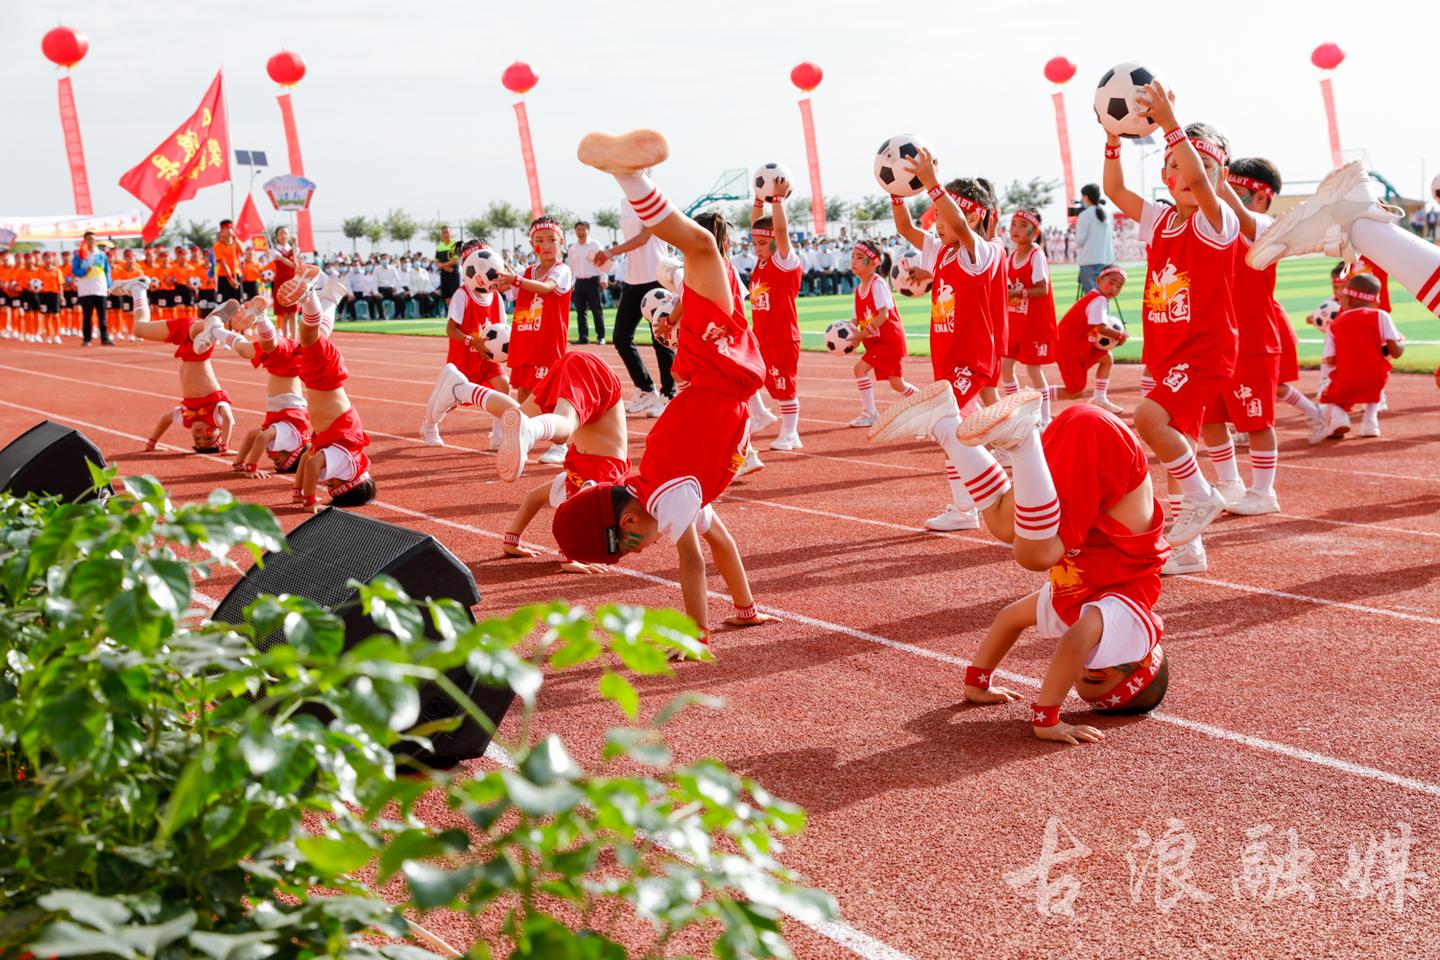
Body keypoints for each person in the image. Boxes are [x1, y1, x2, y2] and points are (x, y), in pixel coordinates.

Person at [552, 128, 778, 651]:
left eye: (630, 547)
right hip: (717, 372)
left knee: (700, 245)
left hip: (718, 370)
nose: (639, 551)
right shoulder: (670, 491)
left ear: (629, 520)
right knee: (702, 253)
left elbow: (692, 559)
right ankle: (631, 178)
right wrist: (743, 609)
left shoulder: (669, 497)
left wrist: (695, 631)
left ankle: (628, 176)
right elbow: (717, 540)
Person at [954, 392, 1170, 745]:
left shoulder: (1080, 603)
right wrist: (1047, 718)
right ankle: (1023, 439)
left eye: (1080, 677)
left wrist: (978, 682)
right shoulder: (1131, 620)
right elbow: (1073, 642)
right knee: (1035, 555)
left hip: (1086, 434)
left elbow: (1009, 619)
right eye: (1096, 675)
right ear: (1139, 657)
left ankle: (945, 422)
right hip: (1107, 452)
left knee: (1004, 525)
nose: (1083, 666)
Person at [1103, 82, 1239, 554]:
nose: (1186, 175)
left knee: (1147, 418)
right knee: (1175, 443)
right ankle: (1188, 548)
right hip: (1166, 353)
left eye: (1199, 168)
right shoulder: (1160, 220)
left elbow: (1201, 185)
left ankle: (1203, 498)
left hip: (1204, 349)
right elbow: (1114, 189)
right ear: (1164, 174)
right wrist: (1112, 138)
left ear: (1217, 176)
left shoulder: (1216, 221)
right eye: (1175, 166)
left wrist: (1169, 124)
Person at [882, 149, 1003, 532]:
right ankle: (1008, 459)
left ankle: (970, 507)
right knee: (960, 427)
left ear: (971, 216)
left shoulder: (980, 251)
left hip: (972, 356)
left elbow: (961, 229)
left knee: (949, 425)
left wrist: (932, 184)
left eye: (943, 217)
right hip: (949, 356)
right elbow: (905, 229)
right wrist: (896, 191)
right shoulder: (943, 251)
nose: (935, 224)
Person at [1196, 159, 1292, 521]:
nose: (1229, 198)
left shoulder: (1266, 226)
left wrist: (1216, 181)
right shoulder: (1218, 226)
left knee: (1256, 421)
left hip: (1254, 340)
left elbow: (1240, 215)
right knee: (1210, 416)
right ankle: (1230, 483)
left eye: (1240, 193)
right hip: (1218, 340)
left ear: (1263, 199)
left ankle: (1264, 491)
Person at [276, 264, 377, 511]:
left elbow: (306, 460)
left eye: (327, 486)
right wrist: (309, 501)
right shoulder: (345, 460)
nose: (327, 481)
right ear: (348, 481)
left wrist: (298, 491)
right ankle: (309, 294)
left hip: (318, 381)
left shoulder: (336, 453)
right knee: (310, 337)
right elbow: (312, 466)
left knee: (315, 335)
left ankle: (330, 297)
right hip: (325, 379)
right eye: (333, 484)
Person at [112, 281, 237, 454]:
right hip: (199, 350)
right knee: (199, 339)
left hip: (187, 342)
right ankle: (212, 325)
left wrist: (152, 443)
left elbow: (165, 420)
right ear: (218, 430)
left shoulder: (187, 415)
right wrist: (225, 446)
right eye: (209, 436)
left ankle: (137, 288)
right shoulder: (216, 412)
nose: (201, 434)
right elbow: (230, 421)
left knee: (139, 329)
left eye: (197, 438)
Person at [421, 244, 511, 448]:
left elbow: (502, 329)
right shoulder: (463, 295)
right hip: (463, 359)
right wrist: (473, 342)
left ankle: (497, 437)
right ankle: (429, 425)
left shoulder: (496, 297)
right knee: (450, 402)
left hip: (487, 358)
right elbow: (451, 329)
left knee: (503, 387)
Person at [595, 190, 675, 415]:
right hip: (633, 278)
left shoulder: (653, 198)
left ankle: (669, 394)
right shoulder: (624, 202)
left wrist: (611, 251)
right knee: (620, 337)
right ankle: (646, 389)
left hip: (656, 276)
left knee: (661, 338)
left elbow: (643, 238)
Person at [225, 295, 312, 478]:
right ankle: (262, 316)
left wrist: (239, 462)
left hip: (282, 370)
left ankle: (216, 331)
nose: (271, 457)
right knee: (270, 344)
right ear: (292, 452)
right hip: (287, 368)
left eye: (273, 462)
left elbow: (253, 435)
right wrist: (251, 467)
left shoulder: (283, 435)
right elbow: (262, 438)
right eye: (277, 460)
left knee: (245, 349)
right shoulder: (290, 436)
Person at [747, 181, 805, 451]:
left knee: (784, 389)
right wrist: (759, 201)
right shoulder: (761, 261)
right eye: (754, 243)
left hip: (782, 337)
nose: (756, 248)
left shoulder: (784, 260)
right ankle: (760, 414)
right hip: (762, 337)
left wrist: (777, 201)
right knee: (746, 377)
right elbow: (758, 226)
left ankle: (791, 433)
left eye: (762, 243)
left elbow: (780, 230)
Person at [1313, 273, 1404, 442]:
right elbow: (1396, 352)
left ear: (1348, 300)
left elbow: (1330, 359)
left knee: (1331, 397)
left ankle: (1339, 419)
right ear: (1376, 301)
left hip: (1347, 378)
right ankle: (1370, 422)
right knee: (1374, 389)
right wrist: (1401, 342)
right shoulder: (1382, 316)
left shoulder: (1336, 324)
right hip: (1375, 378)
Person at [847, 238, 916, 426]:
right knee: (897, 383)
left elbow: (884, 315)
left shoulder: (878, 284)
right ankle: (926, 403)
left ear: (874, 262)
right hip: (877, 342)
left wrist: (861, 335)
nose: (853, 261)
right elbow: (855, 319)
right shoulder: (858, 289)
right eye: (852, 256)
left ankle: (870, 413)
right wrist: (850, 335)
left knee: (860, 369)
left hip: (888, 341)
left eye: (860, 257)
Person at [1000, 209, 1058, 425]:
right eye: (1014, 223)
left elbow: (1042, 289)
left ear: (1034, 232)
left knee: (1033, 369)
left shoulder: (1036, 255)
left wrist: (1017, 293)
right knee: (1006, 368)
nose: (1016, 229)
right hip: (1015, 321)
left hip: (1033, 323)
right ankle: (1014, 412)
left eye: (1023, 225)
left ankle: (1045, 418)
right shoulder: (1012, 256)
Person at [1049, 265, 1128, 411]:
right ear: (1098, 280)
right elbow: (1100, 327)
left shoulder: (1096, 297)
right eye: (1111, 282)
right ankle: (1035, 394)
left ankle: (1099, 398)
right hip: (1069, 350)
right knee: (1075, 392)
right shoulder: (1098, 300)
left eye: (1119, 286)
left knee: (1106, 358)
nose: (1114, 289)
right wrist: (1120, 336)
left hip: (1077, 346)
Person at [567, 221, 606, 344]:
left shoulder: (594, 245)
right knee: (580, 311)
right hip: (579, 282)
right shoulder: (573, 248)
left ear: (588, 230)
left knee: (596, 310)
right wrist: (571, 283)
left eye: (583, 229)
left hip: (593, 281)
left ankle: (601, 337)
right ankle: (583, 337)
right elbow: (571, 267)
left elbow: (602, 262)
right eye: (578, 229)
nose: (581, 232)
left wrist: (603, 279)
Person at [71, 231, 112, 346]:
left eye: (93, 239)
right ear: (84, 241)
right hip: (86, 290)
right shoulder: (79, 255)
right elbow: (74, 270)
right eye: (88, 239)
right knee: (87, 316)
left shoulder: (101, 254)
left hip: (100, 288)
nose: (91, 241)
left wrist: (109, 285)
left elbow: (107, 271)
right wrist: (84, 271)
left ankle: (105, 338)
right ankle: (87, 339)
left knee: (103, 316)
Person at [1074, 184, 1115, 294]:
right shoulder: (1108, 212)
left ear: (1086, 197)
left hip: (1089, 260)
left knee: (1091, 295)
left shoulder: (1084, 215)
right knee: (1104, 293)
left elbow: (1079, 240)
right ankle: (1104, 311)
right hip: (1106, 260)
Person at [265, 226, 300, 339]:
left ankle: (294, 340)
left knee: (293, 313)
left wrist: (295, 244)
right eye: (280, 233)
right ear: (276, 236)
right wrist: (293, 265)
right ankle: (286, 339)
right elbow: (282, 259)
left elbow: (296, 257)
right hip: (281, 283)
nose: (283, 236)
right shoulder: (274, 250)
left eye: (285, 233)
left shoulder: (293, 249)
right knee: (284, 314)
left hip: (293, 284)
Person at [213, 220, 243, 306]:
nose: (230, 231)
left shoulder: (235, 243)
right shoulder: (218, 246)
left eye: (231, 228)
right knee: (224, 305)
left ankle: (237, 320)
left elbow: (242, 251)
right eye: (227, 228)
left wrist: (235, 238)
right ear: (222, 230)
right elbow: (223, 263)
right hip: (225, 277)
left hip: (237, 275)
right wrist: (230, 279)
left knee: (238, 304)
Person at [434, 225, 460, 304]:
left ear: (451, 233)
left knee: (455, 296)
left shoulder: (455, 245)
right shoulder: (439, 247)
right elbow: (436, 261)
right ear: (441, 235)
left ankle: (456, 314)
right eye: (443, 233)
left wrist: (442, 266)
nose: (445, 234)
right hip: (444, 274)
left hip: (453, 274)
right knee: (446, 296)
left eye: (447, 232)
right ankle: (449, 314)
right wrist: (444, 267)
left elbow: (455, 260)